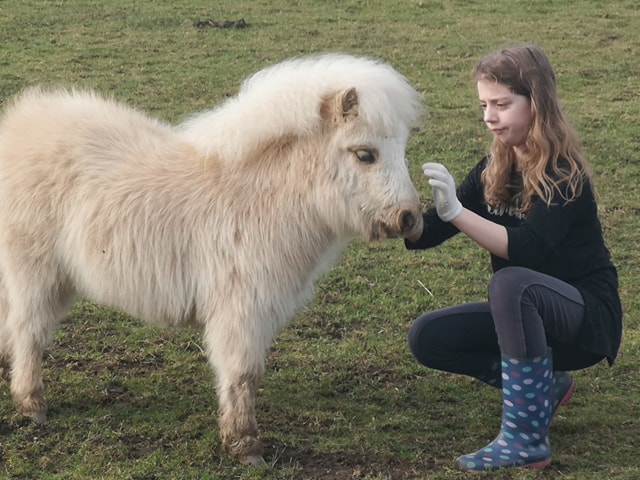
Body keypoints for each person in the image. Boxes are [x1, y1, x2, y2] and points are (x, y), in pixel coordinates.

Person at [405, 44, 622, 472]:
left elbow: (530, 249)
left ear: (536, 104)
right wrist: (397, 215)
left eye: (502, 104)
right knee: (428, 337)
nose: (489, 116)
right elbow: (430, 232)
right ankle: (547, 386)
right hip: (525, 319)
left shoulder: (564, 172)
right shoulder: (494, 167)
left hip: (582, 319)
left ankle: (526, 438)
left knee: (512, 281)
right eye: (484, 104)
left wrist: (459, 212)